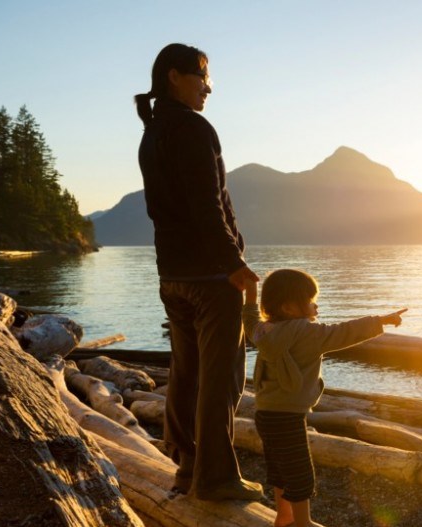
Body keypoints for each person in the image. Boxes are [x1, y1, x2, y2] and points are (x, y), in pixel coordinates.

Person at [135, 43, 263, 501]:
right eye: (201, 77)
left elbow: (163, 209)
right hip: (211, 277)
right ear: (174, 76)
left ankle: (189, 468)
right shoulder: (192, 127)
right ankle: (216, 478)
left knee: (186, 373)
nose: (208, 87)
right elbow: (207, 206)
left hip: (173, 275)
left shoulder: (153, 132)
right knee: (222, 376)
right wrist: (235, 264)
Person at [243, 269, 406, 527]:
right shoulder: (307, 333)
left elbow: (250, 322)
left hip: (264, 414)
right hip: (289, 417)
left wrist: (250, 295)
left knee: (279, 468)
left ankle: (283, 517)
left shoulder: (264, 332)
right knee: (300, 473)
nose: (315, 305)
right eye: (309, 300)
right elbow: (344, 332)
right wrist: (380, 321)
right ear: (289, 307)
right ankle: (303, 522)